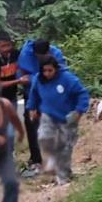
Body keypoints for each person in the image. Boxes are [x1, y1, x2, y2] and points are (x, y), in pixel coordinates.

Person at [26, 55, 89, 186]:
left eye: (50, 70)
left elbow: (82, 93)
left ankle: (63, 176)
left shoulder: (68, 79)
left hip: (68, 117)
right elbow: (33, 94)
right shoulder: (38, 79)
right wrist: (32, 108)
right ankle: (52, 159)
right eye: (45, 71)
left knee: (64, 148)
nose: (47, 74)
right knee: (44, 137)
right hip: (48, 114)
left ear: (56, 69)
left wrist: (79, 110)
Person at [17, 38, 68, 172]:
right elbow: (23, 74)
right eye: (38, 56)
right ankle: (36, 159)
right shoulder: (26, 54)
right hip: (32, 92)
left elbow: (62, 73)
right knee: (32, 124)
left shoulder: (56, 54)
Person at [0, 31, 29, 157]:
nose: (7, 49)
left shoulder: (15, 54)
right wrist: (19, 81)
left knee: (9, 128)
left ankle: (7, 153)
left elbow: (22, 68)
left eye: (9, 45)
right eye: (3, 46)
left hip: (11, 97)